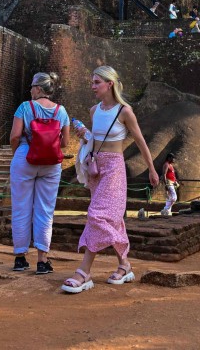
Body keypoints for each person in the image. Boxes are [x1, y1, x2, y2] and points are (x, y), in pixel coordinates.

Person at [62, 66, 160, 293]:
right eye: (92, 81)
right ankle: (124, 265)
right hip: (97, 169)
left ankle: (84, 272)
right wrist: (85, 135)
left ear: (110, 84)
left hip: (115, 169)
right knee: (112, 219)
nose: (93, 86)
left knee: (97, 215)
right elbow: (95, 140)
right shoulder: (95, 110)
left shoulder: (125, 111)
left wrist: (152, 170)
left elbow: (141, 142)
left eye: (97, 82)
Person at [9, 72, 70, 274]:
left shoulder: (25, 107)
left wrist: (16, 153)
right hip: (51, 162)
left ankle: (20, 257)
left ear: (39, 88)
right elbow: (65, 143)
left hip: (25, 156)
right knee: (45, 210)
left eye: (32, 86)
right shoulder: (61, 112)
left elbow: (15, 136)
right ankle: (42, 260)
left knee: (20, 207)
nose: (30, 89)